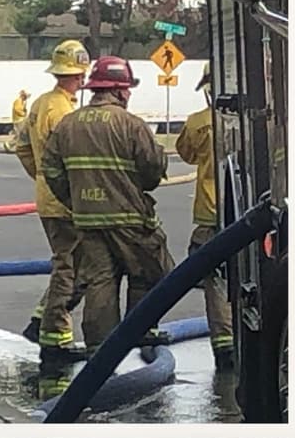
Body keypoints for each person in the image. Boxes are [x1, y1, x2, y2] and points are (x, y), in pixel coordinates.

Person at [41, 55, 172, 357]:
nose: (128, 95)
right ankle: (140, 331)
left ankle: (100, 350)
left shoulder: (67, 125)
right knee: (153, 269)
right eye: (127, 89)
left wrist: (75, 200)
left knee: (100, 280)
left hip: (87, 219)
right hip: (129, 219)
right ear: (119, 90)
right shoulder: (131, 125)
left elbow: (50, 169)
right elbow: (152, 171)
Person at [16, 39, 90, 357]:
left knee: (67, 264)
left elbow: (22, 146)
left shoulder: (40, 104)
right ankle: (56, 335)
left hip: (48, 197)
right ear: (80, 74)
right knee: (72, 269)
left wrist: (41, 178)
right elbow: (73, 158)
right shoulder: (64, 112)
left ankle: (40, 320)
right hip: (65, 201)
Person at [175, 63, 234, 369]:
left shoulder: (199, 122)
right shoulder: (256, 116)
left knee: (217, 281)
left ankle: (225, 347)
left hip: (212, 215)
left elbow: (185, 152)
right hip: (250, 214)